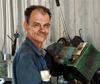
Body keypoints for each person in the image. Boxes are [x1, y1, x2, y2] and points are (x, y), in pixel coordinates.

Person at [12, 5, 52, 84]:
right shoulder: (26, 55)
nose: (42, 30)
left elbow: (44, 80)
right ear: (26, 26)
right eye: (36, 25)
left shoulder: (38, 51)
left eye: (46, 26)